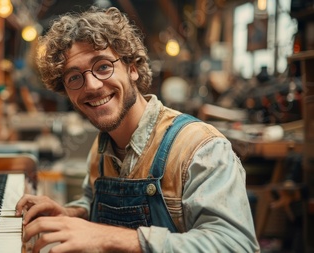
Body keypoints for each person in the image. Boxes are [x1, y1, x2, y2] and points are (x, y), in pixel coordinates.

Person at [15, 6, 260, 253]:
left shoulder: (200, 149)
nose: (91, 85)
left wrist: (107, 237)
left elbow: (236, 246)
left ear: (132, 68)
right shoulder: (100, 150)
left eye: (102, 67)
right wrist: (72, 213)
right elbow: (96, 205)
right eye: (74, 77)